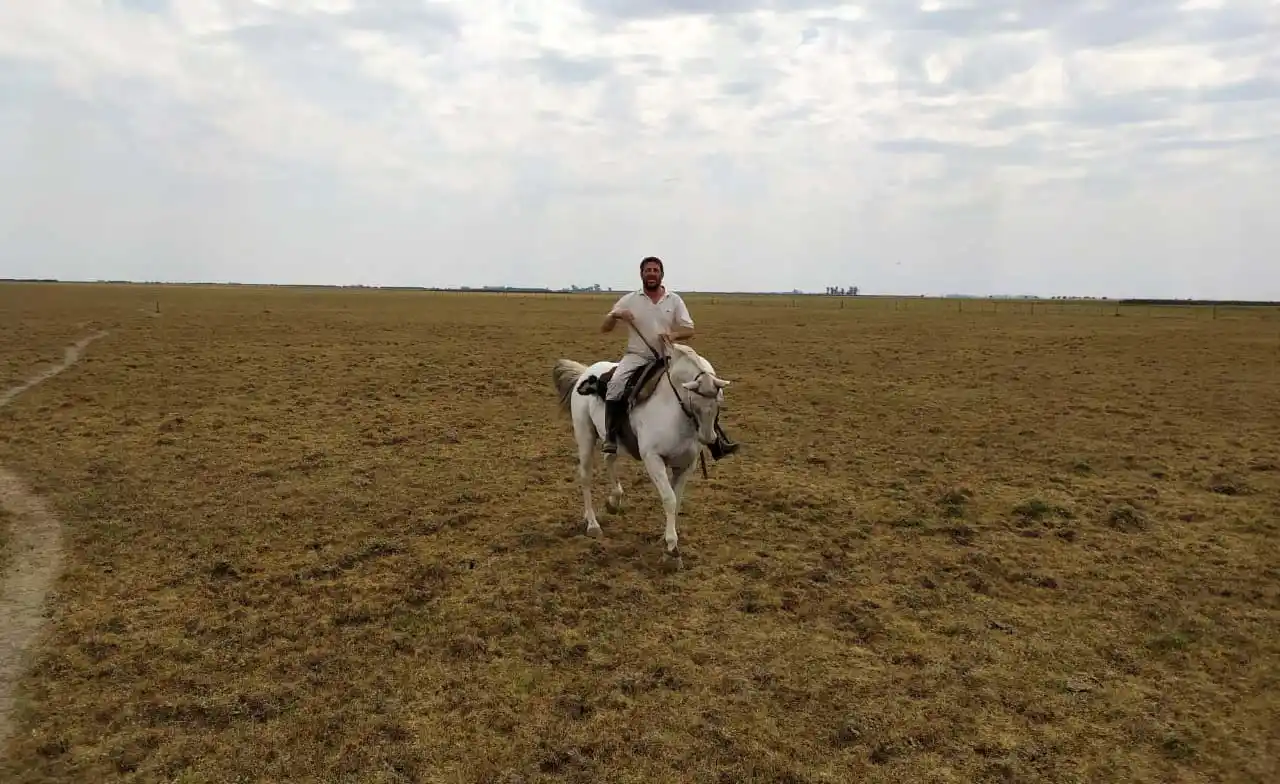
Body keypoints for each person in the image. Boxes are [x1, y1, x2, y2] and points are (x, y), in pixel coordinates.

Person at [599, 256, 740, 459]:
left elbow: (689, 329)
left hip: (668, 357)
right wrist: (616, 315)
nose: (651, 274)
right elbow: (605, 328)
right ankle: (611, 437)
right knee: (615, 384)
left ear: (661, 275)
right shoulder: (630, 299)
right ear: (641, 274)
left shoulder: (674, 300)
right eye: (648, 270)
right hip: (637, 356)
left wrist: (673, 335)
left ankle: (715, 440)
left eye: (655, 270)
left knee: (703, 388)